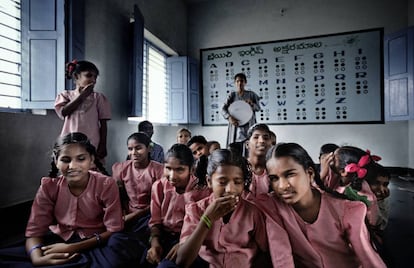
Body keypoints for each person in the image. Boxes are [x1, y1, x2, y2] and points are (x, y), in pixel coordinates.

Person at [0, 132, 142, 267]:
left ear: (91, 160)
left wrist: (73, 247)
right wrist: (37, 257)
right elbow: (34, 232)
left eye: (81, 159)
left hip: (99, 239)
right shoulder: (49, 186)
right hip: (60, 237)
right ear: (56, 161)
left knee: (116, 258)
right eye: (65, 160)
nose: (73, 166)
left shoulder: (106, 184)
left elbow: (114, 229)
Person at [256, 142, 386, 267]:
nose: (282, 186)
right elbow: (281, 257)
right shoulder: (271, 205)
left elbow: (368, 258)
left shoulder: (346, 210)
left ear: (310, 174)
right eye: (274, 178)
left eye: (290, 174)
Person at [173, 149, 294, 268]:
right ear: (209, 181)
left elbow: (265, 252)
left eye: (237, 182)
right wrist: (207, 219)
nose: (230, 189)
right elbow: (182, 261)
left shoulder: (253, 213)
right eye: (222, 182)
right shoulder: (196, 210)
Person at [144, 144, 211, 267]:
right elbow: (155, 221)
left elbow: (204, 227)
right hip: (163, 236)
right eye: (168, 168)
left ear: (191, 169)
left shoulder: (203, 191)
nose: (172, 176)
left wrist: (184, 243)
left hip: (193, 240)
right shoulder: (159, 186)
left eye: (179, 169)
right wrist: (155, 243)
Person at [54, 60, 111, 165]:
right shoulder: (66, 95)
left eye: (95, 77)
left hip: (92, 142)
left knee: (90, 169)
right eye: (89, 76)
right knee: (71, 168)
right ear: (76, 77)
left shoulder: (98, 98)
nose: (93, 80)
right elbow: (63, 112)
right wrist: (82, 95)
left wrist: (103, 145)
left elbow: (103, 124)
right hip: (69, 142)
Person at [112, 132, 164, 234]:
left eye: (138, 148)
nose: (134, 152)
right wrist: (123, 215)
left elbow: (160, 201)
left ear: (149, 148)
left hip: (151, 214)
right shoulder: (121, 169)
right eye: (130, 149)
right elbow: (119, 196)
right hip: (127, 214)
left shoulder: (159, 170)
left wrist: (135, 215)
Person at [323, 146, 380, 227]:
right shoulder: (341, 178)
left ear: (343, 172)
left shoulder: (356, 195)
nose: (329, 159)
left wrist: (322, 173)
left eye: (333, 159)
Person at [222, 73, 261, 146]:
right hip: (235, 125)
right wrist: (229, 117)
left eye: (242, 81)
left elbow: (258, 108)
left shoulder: (251, 94)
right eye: (237, 81)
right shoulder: (232, 95)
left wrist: (252, 104)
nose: (240, 83)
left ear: (245, 82)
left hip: (249, 124)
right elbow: (223, 109)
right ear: (235, 83)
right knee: (234, 147)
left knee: (249, 145)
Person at [245, 123, 272, 197]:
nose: (261, 141)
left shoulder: (274, 170)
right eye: (256, 137)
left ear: (271, 144)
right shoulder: (239, 168)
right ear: (247, 144)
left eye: (266, 138)